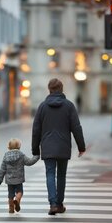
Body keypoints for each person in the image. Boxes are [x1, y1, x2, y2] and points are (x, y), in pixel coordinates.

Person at [32, 78, 86, 215]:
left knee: (50, 174)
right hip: (63, 146)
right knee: (61, 175)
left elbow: (36, 129)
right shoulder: (69, 106)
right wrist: (81, 146)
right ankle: (60, 204)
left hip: (48, 147)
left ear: (49, 90)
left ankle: (53, 204)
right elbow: (76, 128)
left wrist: (35, 149)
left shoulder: (42, 107)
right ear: (62, 89)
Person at [0, 138, 39, 213]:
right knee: (19, 191)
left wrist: (0, 179)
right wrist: (36, 157)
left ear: (9, 147)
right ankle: (17, 199)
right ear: (19, 147)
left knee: (10, 194)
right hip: (19, 179)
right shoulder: (21, 155)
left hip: (9, 180)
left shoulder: (6, 156)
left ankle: (11, 208)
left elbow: (2, 168)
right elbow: (29, 162)